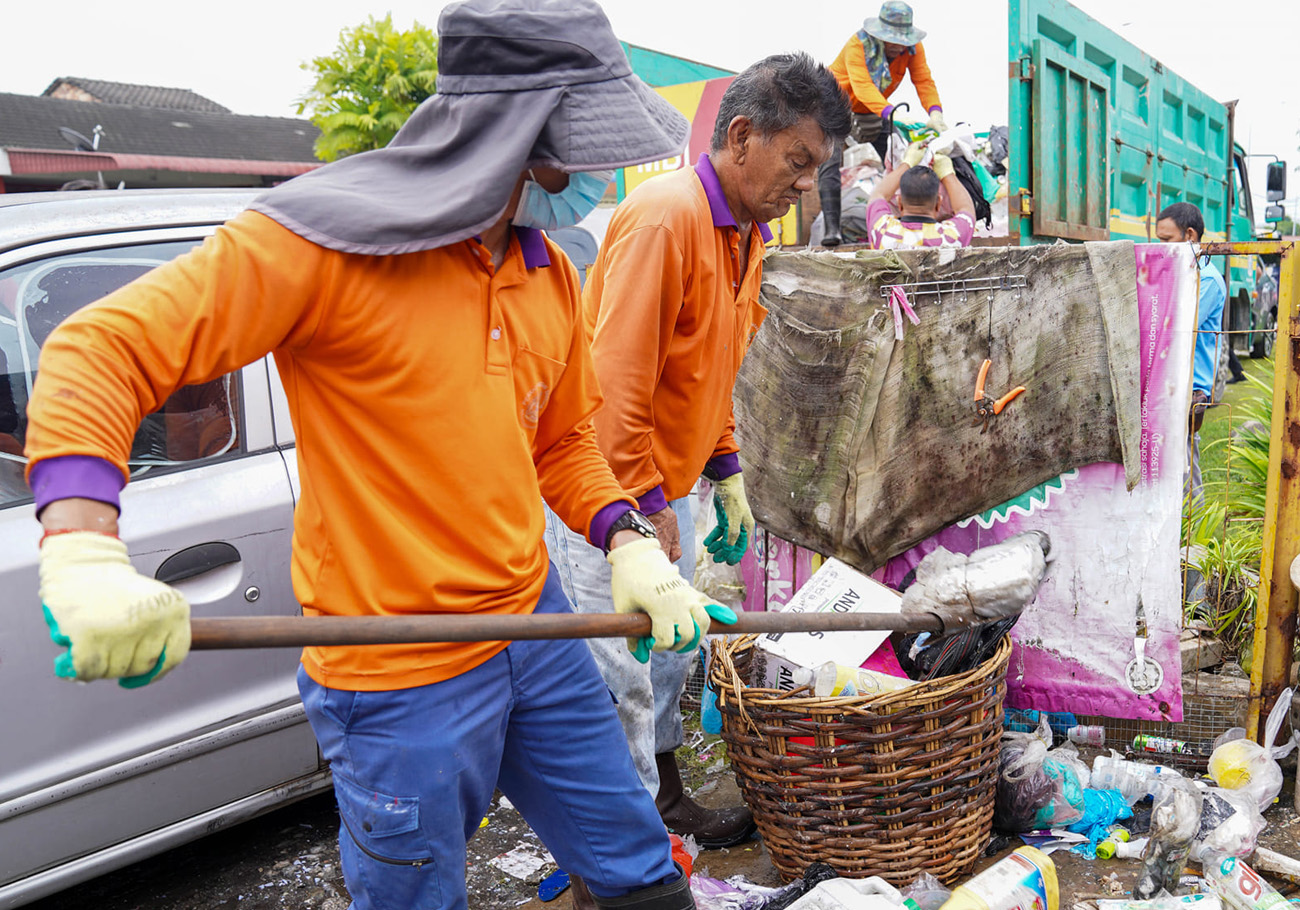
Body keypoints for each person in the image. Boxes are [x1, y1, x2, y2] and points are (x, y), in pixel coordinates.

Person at [23, 2, 736, 908]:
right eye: (572, 153)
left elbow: (558, 441)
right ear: (504, 135)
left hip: (536, 627)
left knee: (638, 874)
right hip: (396, 671)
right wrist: (84, 546)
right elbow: (102, 350)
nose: (588, 177)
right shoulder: (321, 242)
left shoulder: (546, 270)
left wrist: (624, 536)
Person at [541, 50, 851, 878]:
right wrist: (641, 511)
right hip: (609, 495)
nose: (804, 185)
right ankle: (633, 859)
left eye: (815, 170)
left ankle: (666, 801)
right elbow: (615, 387)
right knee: (621, 677)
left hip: (668, 486)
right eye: (798, 162)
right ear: (742, 136)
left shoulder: (744, 232)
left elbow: (714, 366)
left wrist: (724, 470)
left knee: (670, 656)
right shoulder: (665, 218)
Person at [819, 1, 946, 246]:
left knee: (899, 150)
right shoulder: (857, 45)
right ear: (880, 34)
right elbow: (862, 86)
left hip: (873, 107)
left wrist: (935, 112)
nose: (897, 46)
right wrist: (892, 113)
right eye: (892, 40)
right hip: (836, 103)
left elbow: (923, 80)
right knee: (829, 160)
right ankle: (832, 231)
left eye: (902, 40)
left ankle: (912, 217)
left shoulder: (912, 48)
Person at [1155, 201, 1225, 507]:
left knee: (1183, 456)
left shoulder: (1206, 280)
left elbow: (1178, 323)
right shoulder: (1184, 273)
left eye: (1167, 240)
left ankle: (1194, 524)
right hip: (1171, 381)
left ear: (1190, 236)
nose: (1161, 247)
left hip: (1190, 387)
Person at [864, 143, 975, 249]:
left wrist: (907, 163)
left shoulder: (882, 229)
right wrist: (947, 174)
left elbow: (879, 194)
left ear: (899, 203)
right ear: (938, 203)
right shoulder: (952, 236)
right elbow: (965, 208)